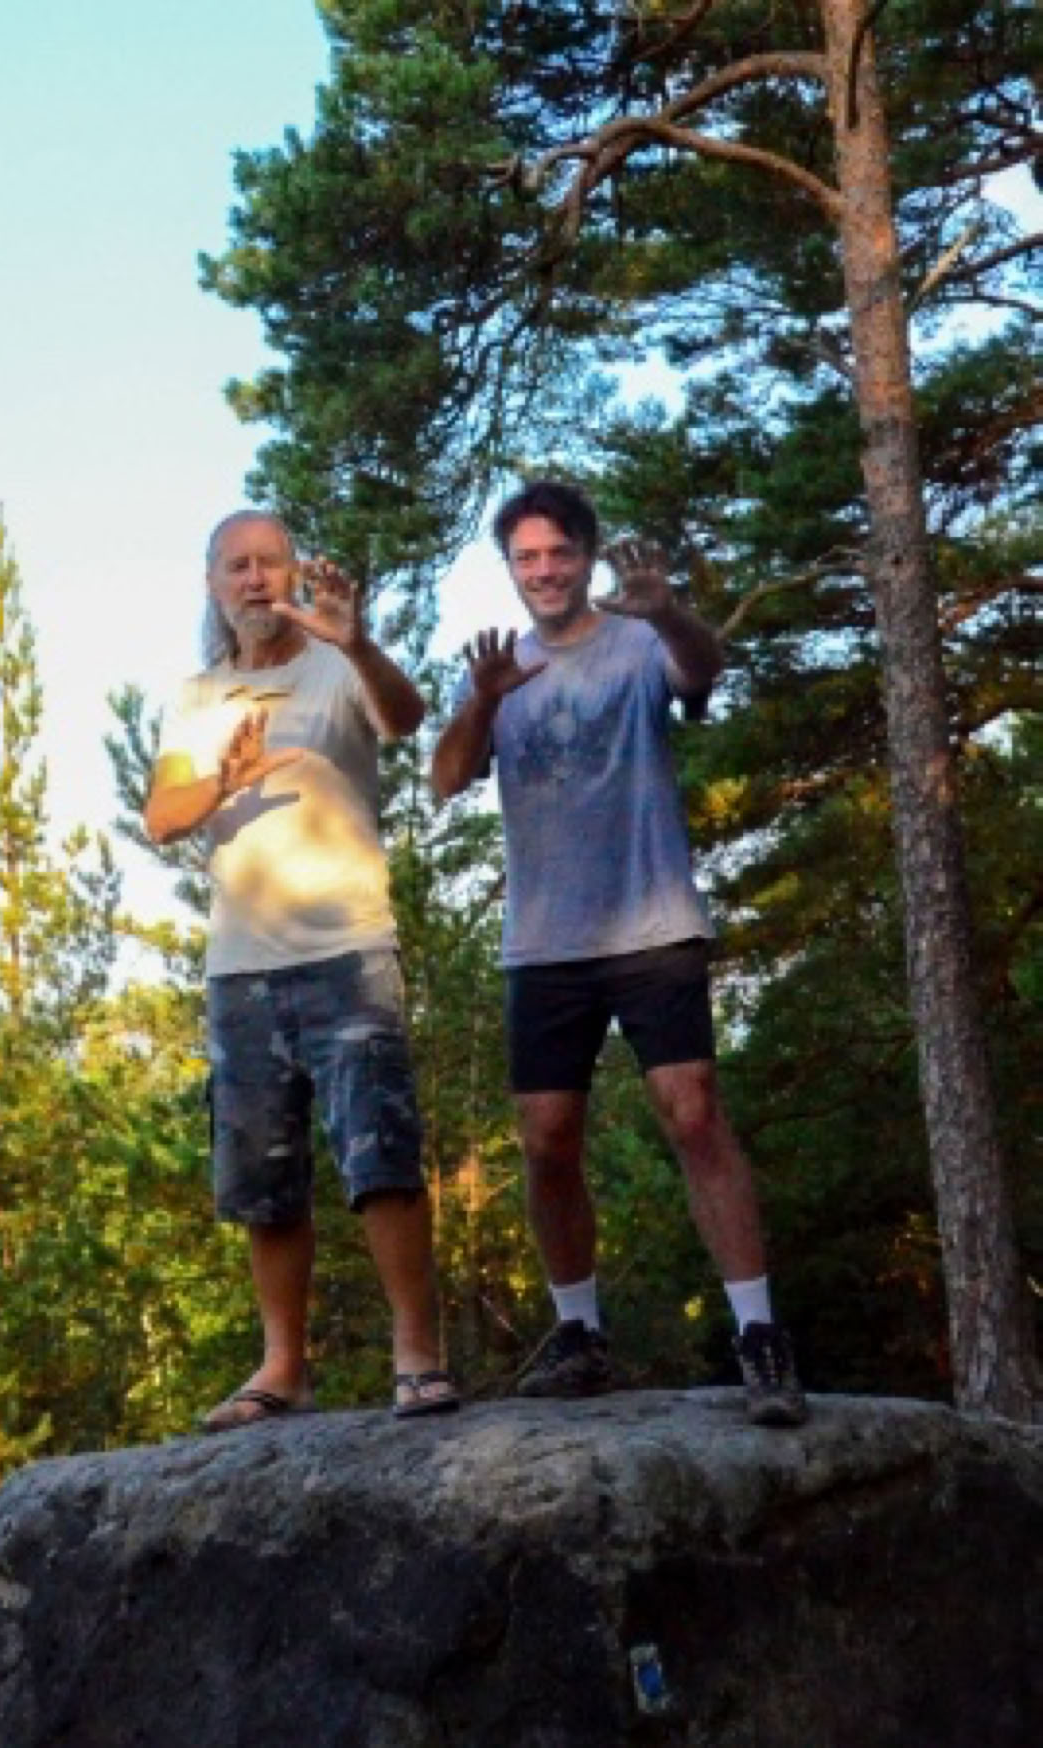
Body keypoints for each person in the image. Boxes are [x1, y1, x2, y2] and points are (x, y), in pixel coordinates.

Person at [430, 480, 805, 1426]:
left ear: (587, 557)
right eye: (526, 558)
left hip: (652, 924)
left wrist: (671, 610)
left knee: (692, 1116)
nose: (544, 571)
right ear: (510, 570)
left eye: (559, 553)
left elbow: (702, 671)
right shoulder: (499, 671)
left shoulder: (639, 640)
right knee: (546, 1139)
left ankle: (760, 1335)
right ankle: (581, 1335)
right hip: (546, 942)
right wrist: (481, 704)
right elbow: (442, 780)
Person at [145, 508, 458, 1429]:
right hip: (240, 969)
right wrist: (224, 783)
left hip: (345, 953)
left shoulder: (337, 667)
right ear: (212, 584)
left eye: (268, 563)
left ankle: (418, 1354)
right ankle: (282, 1367)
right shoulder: (199, 697)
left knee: (382, 1160)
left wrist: (360, 646)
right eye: (235, 566)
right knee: (263, 1178)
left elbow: (405, 717)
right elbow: (163, 815)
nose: (253, 579)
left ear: (290, 574)